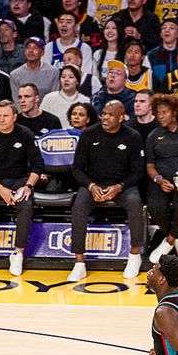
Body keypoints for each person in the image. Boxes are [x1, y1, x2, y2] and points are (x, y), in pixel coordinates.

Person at [70, 101, 146, 281]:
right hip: (93, 184)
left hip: (122, 186)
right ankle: (79, 262)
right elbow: (77, 168)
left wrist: (119, 186)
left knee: (135, 202)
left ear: (121, 117)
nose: (105, 117)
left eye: (110, 115)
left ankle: (135, 255)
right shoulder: (89, 134)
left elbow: (138, 171)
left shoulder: (132, 136)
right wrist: (91, 186)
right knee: (78, 205)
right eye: (104, 113)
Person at [0, 100, 42, 276]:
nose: (2, 120)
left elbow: (37, 165)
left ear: (14, 117)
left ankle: (18, 253)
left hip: (20, 179)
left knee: (26, 205)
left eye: (5, 116)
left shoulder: (25, 134)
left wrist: (28, 186)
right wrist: (1, 189)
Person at [149, 94, 178, 263]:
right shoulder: (154, 135)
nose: (160, 116)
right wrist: (159, 179)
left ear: (174, 112)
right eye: (158, 112)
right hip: (160, 180)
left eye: (164, 112)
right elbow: (149, 165)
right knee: (155, 206)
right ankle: (176, 239)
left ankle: (168, 242)